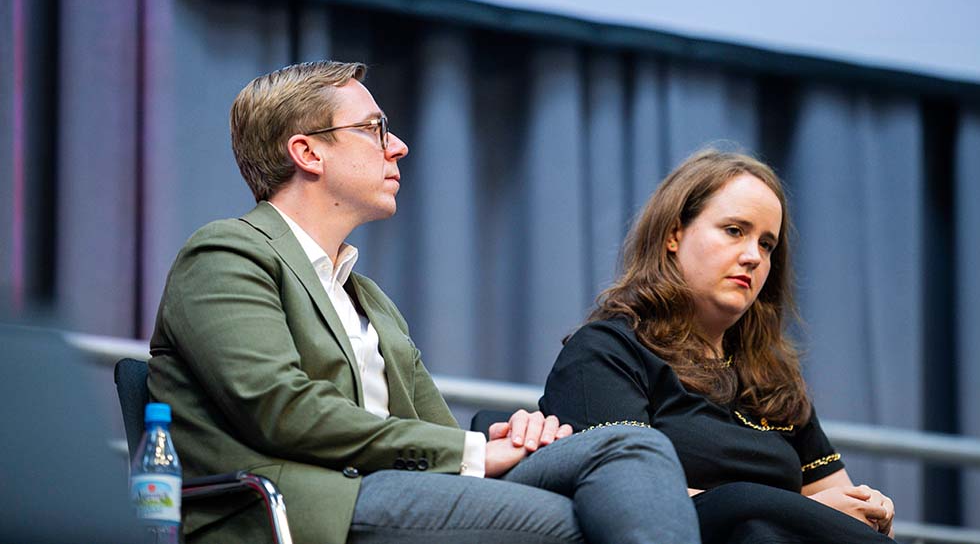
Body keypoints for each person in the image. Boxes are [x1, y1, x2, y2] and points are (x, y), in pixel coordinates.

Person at [146, 60, 699, 544]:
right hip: (303, 506)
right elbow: (282, 412)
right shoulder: (225, 254)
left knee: (631, 444)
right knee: (574, 521)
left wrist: (498, 440)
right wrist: (473, 452)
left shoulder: (367, 297)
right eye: (373, 129)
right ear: (307, 151)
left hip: (399, 484)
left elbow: (439, 432)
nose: (398, 146)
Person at [539, 149, 897, 544]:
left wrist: (868, 506)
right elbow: (632, 498)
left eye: (766, 245)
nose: (752, 257)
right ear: (674, 234)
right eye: (734, 230)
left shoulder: (774, 379)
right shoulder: (607, 352)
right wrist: (801, 512)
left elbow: (840, 504)